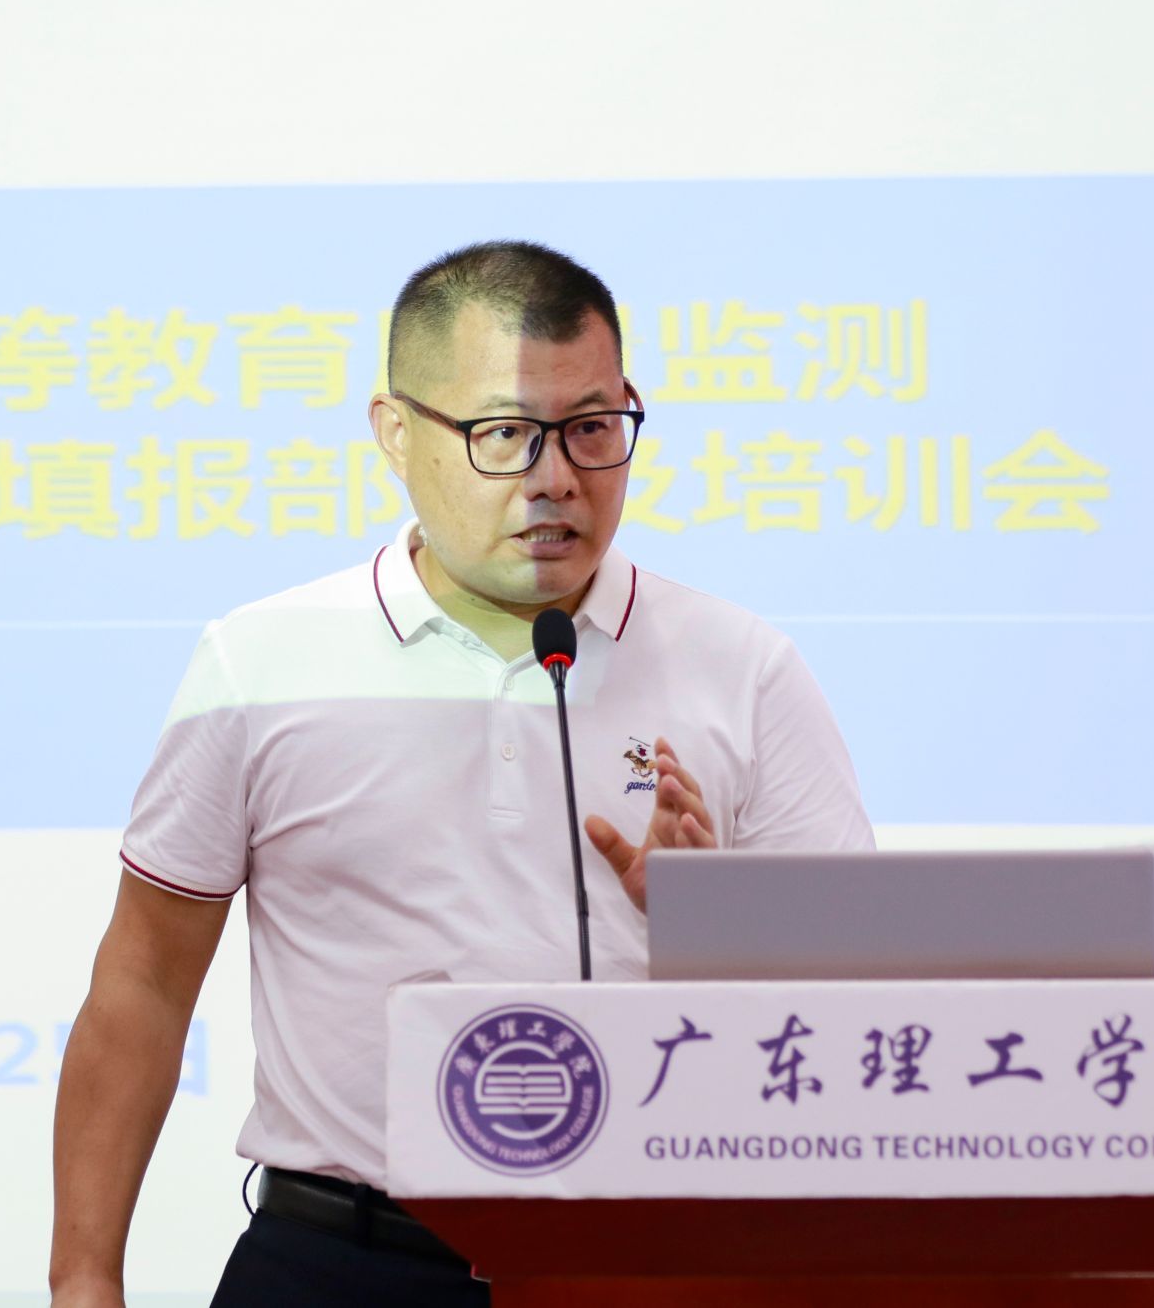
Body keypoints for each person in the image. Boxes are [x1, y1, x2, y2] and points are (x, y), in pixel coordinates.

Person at [47, 241, 874, 1307]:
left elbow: (855, 1015)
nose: (555, 477)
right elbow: (145, 983)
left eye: (591, 428)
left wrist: (714, 927)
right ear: (396, 432)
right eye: (504, 434)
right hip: (342, 1262)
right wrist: (84, 1278)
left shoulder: (743, 669)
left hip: (646, 1260)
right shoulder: (259, 662)